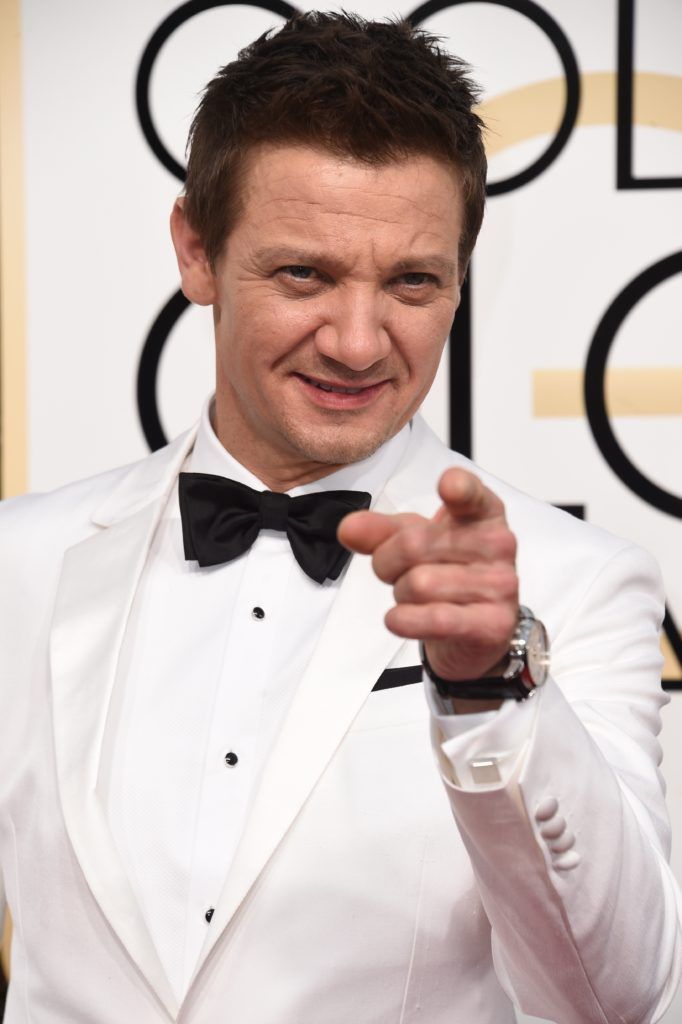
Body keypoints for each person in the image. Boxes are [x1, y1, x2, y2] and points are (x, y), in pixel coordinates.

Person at [0, 12, 679, 1024]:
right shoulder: (22, 556)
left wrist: (491, 687)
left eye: (411, 281)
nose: (359, 344)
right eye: (303, 274)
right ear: (195, 250)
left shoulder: (578, 582)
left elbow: (612, 994)